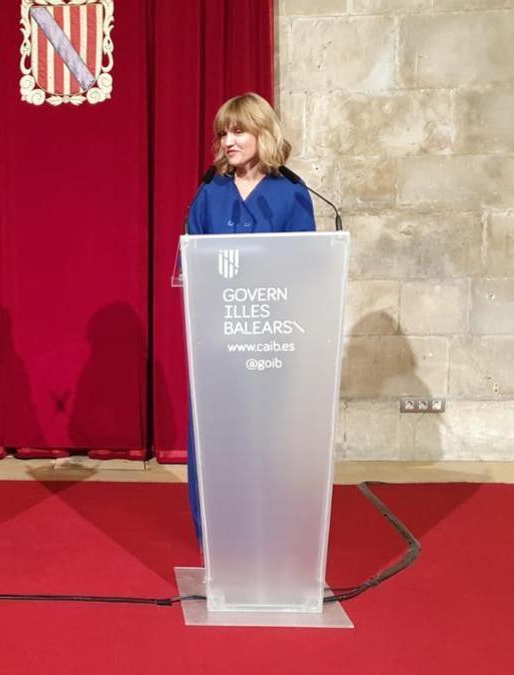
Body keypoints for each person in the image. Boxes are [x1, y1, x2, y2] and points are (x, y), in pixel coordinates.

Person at [184, 93, 314, 541]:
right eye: (224, 133)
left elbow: (305, 268)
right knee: (216, 433)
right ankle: (217, 531)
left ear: (263, 132)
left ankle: (266, 525)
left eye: (238, 131)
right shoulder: (210, 192)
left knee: (266, 433)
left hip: (270, 339)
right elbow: (190, 266)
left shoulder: (290, 193)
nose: (228, 140)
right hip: (218, 339)